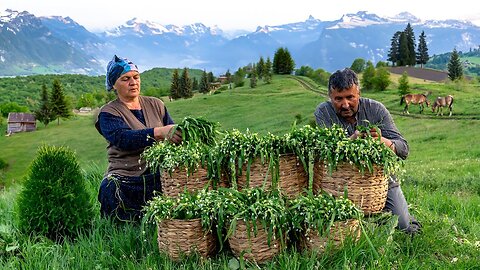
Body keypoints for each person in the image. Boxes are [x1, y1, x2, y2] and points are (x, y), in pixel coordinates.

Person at [314, 68, 421, 234]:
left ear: (359, 93)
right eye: (338, 99)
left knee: (403, 227)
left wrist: (383, 141)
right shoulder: (324, 112)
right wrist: (353, 140)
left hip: (380, 181)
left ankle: (395, 214)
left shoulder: (376, 109)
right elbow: (327, 151)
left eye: (350, 97)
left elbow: (404, 149)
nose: (345, 104)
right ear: (330, 97)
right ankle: (371, 218)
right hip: (340, 183)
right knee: (341, 232)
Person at [95, 55, 182, 222]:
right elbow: (123, 139)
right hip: (126, 174)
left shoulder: (156, 104)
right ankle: (122, 227)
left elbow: (171, 134)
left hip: (157, 171)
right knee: (110, 188)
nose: (133, 82)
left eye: (136, 77)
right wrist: (159, 132)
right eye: (125, 79)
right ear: (114, 84)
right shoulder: (108, 113)